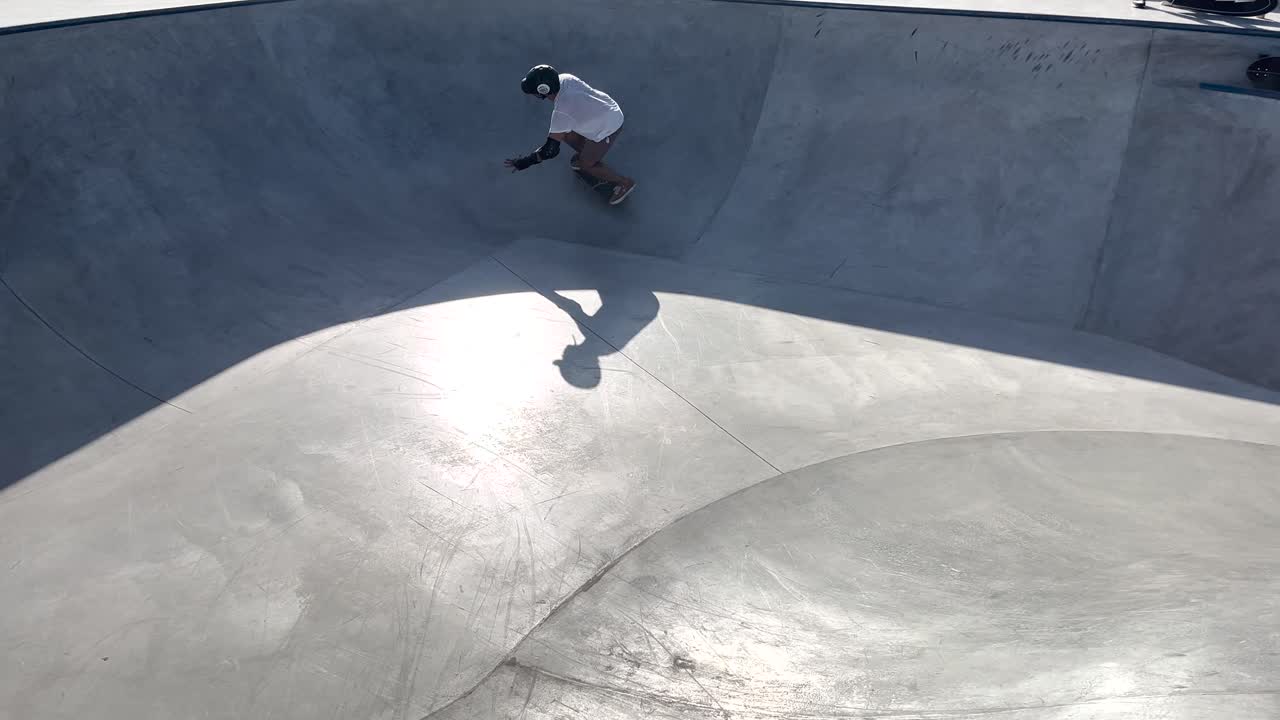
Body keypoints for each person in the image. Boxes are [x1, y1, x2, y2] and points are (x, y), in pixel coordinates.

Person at [505, 65, 637, 205]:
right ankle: (589, 153)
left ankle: (624, 183)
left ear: (543, 91)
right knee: (565, 134)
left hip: (610, 125)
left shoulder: (562, 112)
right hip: (606, 107)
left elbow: (550, 151)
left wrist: (525, 162)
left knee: (586, 164)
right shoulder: (565, 78)